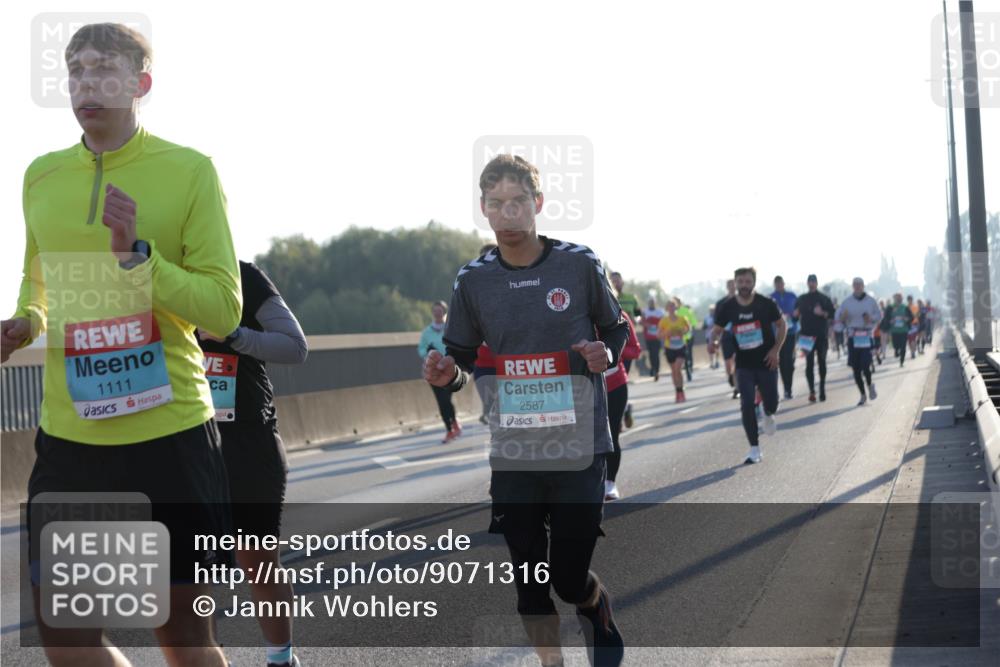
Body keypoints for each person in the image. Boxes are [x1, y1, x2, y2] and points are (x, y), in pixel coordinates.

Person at [2, 23, 239, 667]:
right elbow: (39, 283)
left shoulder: (189, 170)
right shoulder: (40, 176)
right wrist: (24, 321)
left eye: (103, 68)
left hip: (169, 435)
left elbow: (223, 307)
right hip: (72, 443)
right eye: (74, 70)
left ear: (141, 83)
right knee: (65, 635)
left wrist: (139, 259)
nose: (85, 83)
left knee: (183, 637)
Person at [424, 154, 625, 666]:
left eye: (518, 202)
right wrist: (450, 376)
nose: (508, 214)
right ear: (484, 210)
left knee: (567, 576)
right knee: (530, 584)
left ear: (537, 204)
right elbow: (462, 358)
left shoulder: (578, 263)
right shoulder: (472, 279)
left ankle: (593, 603)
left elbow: (616, 327)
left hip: (581, 444)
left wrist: (608, 353)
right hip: (515, 450)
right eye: (496, 204)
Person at [197, 261, 307, 667]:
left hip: (248, 447)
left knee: (259, 565)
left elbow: (295, 347)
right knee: (188, 576)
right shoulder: (151, 279)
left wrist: (233, 336)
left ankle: (282, 660)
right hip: (184, 449)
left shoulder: (240, 276)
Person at [708, 267, 786, 464]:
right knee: (746, 405)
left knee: (773, 402)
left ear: (754, 282)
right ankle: (754, 448)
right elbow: (716, 330)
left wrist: (775, 350)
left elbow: (782, 325)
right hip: (743, 363)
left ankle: (768, 412)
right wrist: (713, 342)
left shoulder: (766, 303)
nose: (744, 285)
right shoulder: (728, 307)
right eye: (740, 282)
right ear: (735, 283)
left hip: (766, 360)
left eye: (748, 281)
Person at [603, 316, 641, 501]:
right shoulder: (576, 312)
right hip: (584, 387)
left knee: (611, 434)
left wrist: (611, 351)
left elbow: (635, 349)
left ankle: (610, 483)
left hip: (615, 385)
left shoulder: (619, 317)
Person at [419, 300, 461, 443]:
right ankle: (450, 429)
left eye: (440, 311)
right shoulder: (427, 332)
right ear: (432, 313)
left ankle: (453, 423)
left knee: (446, 399)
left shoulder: (451, 328)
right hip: (434, 371)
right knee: (441, 401)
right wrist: (427, 353)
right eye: (435, 311)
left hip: (449, 369)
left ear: (444, 312)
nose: (438, 313)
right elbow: (420, 349)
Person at [836, 278, 882, 406]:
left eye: (859, 285)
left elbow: (879, 316)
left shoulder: (871, 301)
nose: (857, 287)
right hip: (853, 336)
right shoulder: (847, 302)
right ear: (853, 286)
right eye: (855, 285)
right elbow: (839, 318)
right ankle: (862, 395)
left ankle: (870, 385)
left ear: (863, 286)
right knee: (856, 369)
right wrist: (843, 317)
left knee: (865, 365)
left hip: (866, 335)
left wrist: (870, 318)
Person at [793, 274, 835, 402]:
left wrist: (822, 313)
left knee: (822, 361)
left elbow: (832, 314)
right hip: (806, 335)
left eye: (813, 282)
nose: (811, 284)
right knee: (809, 364)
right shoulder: (801, 299)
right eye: (809, 282)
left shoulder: (824, 298)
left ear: (817, 283)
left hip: (821, 335)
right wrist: (795, 315)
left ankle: (822, 387)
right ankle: (812, 391)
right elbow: (795, 317)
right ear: (807, 283)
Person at [473, 243, 500, 425]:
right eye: (484, 258)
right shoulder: (471, 286)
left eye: (493, 257)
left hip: (511, 363)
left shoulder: (517, 281)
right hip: (482, 362)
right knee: (492, 408)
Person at [609, 271, 640, 428]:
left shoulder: (630, 297)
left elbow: (639, 314)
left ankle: (621, 411)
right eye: (612, 281)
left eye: (617, 281)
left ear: (622, 281)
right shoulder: (604, 292)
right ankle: (624, 409)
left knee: (620, 381)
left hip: (626, 341)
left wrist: (634, 321)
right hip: (611, 345)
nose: (615, 283)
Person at [656, 300, 691, 403]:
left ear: (676, 308)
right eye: (669, 306)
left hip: (681, 346)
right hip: (669, 347)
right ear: (667, 308)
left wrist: (682, 332)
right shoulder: (664, 321)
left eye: (673, 306)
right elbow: (658, 335)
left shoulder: (682, 319)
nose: (671, 308)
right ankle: (678, 392)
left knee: (678, 368)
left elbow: (688, 328)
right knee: (674, 371)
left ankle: (681, 390)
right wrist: (666, 334)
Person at [770, 276, 798, 400]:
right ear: (774, 285)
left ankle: (789, 387)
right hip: (777, 334)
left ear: (783, 283)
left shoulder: (792, 296)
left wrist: (794, 315)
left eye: (780, 283)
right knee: (782, 362)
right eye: (776, 284)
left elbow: (798, 310)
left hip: (791, 332)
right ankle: (786, 390)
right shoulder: (770, 298)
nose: (779, 286)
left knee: (790, 363)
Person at [714, 279, 740, 398]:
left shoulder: (741, 300)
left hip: (739, 336)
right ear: (727, 287)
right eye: (729, 285)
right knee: (728, 362)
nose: (732, 287)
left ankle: (737, 387)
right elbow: (717, 323)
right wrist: (716, 339)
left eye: (733, 285)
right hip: (726, 336)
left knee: (737, 360)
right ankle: (730, 376)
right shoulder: (721, 303)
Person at [887, 293, 914, 367]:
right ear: (894, 299)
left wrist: (906, 319)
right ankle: (896, 350)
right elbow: (886, 318)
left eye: (900, 298)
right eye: (897, 298)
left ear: (902, 299)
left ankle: (901, 361)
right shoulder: (890, 307)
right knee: (896, 345)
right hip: (894, 330)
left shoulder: (905, 307)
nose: (898, 300)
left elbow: (911, 317)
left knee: (903, 346)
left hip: (903, 330)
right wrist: (890, 320)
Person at [641, 298, 665, 381]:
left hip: (657, 336)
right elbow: (641, 321)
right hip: (648, 336)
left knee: (656, 354)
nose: (651, 304)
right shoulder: (645, 311)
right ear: (648, 304)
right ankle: (653, 368)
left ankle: (657, 370)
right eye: (650, 303)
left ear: (655, 303)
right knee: (651, 354)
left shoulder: (660, 312)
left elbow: (664, 322)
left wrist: (659, 326)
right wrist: (646, 324)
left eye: (653, 303)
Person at [674, 298, 698, 382]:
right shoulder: (674, 313)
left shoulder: (685, 310)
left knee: (687, 353)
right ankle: (688, 367)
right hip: (680, 338)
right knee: (685, 354)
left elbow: (693, 322)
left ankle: (689, 368)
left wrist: (689, 328)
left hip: (687, 336)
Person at [703, 305, 719, 369]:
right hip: (708, 336)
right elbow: (703, 326)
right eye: (711, 310)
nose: (712, 311)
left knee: (716, 348)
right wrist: (707, 326)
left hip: (716, 335)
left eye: (713, 310)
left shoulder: (717, 317)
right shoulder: (706, 318)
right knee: (710, 349)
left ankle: (717, 361)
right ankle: (711, 363)